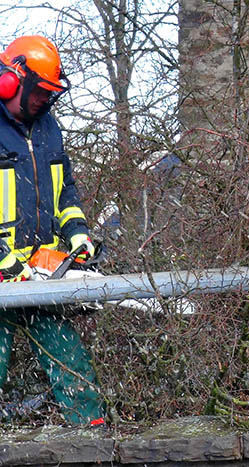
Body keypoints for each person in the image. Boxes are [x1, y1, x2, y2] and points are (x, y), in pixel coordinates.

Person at [0, 36, 104, 426]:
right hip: (2, 272)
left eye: (51, 93)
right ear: (12, 81)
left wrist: (78, 232)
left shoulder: (47, 129)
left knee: (70, 360)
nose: (46, 100)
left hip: (38, 273)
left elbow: (65, 191)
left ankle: (93, 438)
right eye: (41, 92)